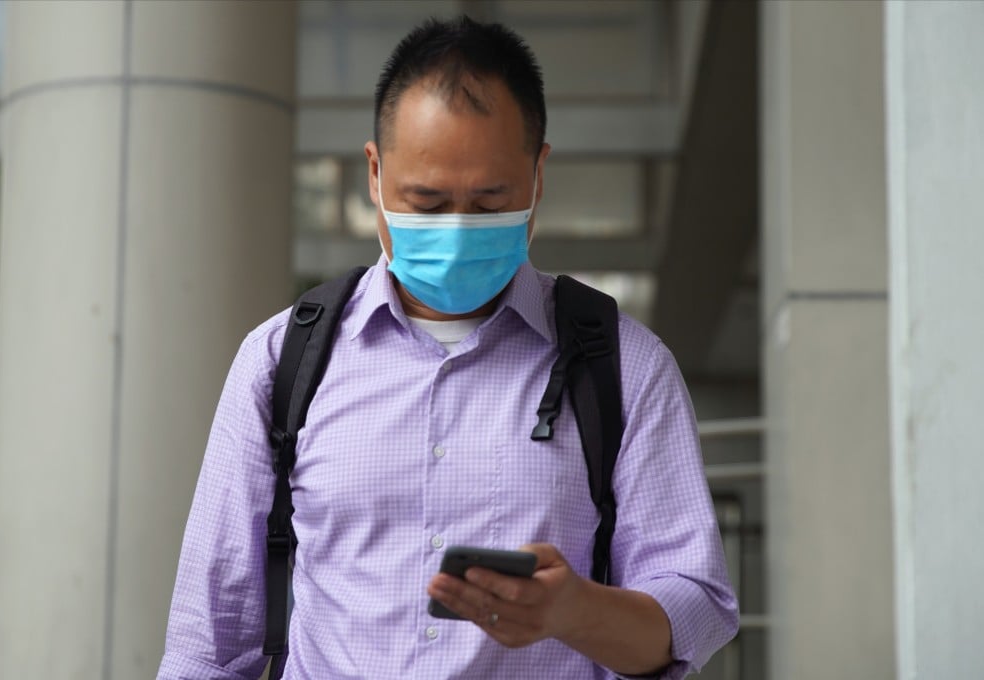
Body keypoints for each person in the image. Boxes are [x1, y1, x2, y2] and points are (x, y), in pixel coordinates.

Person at [159, 15, 738, 680]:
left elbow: (695, 605)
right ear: (375, 173)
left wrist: (576, 612)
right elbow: (208, 643)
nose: (459, 229)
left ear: (538, 174)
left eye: (490, 202)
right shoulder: (280, 361)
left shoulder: (626, 367)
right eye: (427, 203)